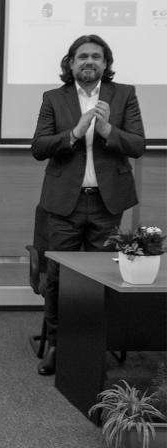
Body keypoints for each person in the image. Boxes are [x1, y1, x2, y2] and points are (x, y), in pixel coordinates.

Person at [32, 34, 145, 376]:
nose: (89, 61)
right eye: (82, 56)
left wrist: (109, 128)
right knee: (57, 278)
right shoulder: (54, 98)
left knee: (101, 277)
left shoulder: (124, 94)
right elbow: (39, 147)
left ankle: (95, 342)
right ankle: (57, 344)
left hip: (106, 204)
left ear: (106, 64)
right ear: (70, 63)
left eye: (96, 56)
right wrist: (75, 133)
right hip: (64, 203)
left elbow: (138, 145)